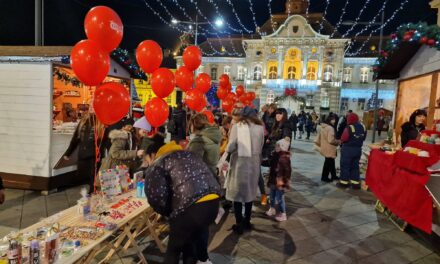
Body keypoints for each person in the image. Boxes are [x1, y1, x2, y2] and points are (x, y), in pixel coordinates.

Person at [143, 141, 221, 264]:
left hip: (190, 209)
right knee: (189, 245)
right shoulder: (190, 155)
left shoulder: (158, 163)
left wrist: (168, 212)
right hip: (213, 203)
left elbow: (156, 196)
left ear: (153, 155)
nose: (147, 163)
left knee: (173, 251)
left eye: (147, 159)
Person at [225, 106, 264, 235]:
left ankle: (239, 223)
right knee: (249, 193)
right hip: (254, 163)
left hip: (240, 164)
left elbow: (231, 146)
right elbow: (262, 145)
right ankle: (247, 221)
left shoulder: (237, 127)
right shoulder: (260, 128)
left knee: (237, 195)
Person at [64, 112, 103, 193]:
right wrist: (68, 152)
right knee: (84, 175)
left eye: (94, 105)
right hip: (83, 154)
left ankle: (92, 192)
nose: (92, 107)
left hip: (94, 155)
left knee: (93, 176)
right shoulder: (83, 121)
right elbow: (76, 138)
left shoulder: (101, 121)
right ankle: (91, 192)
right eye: (91, 106)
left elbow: (105, 140)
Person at [337, 113, 366, 190]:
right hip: (358, 150)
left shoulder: (349, 127)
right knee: (355, 166)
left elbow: (344, 138)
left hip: (348, 150)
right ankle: (355, 183)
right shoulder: (362, 127)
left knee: (345, 166)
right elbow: (363, 138)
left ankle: (344, 182)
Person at [265, 138, 291, 222]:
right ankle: (272, 209)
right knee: (272, 196)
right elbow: (270, 164)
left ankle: (283, 214)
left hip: (280, 181)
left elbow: (287, 172)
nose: (275, 146)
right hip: (273, 179)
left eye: (278, 145)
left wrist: (284, 183)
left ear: (282, 147)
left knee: (280, 198)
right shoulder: (275, 155)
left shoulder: (284, 158)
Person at [315, 115, 341, 182]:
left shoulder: (324, 127)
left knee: (331, 162)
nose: (334, 121)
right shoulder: (330, 128)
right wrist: (338, 142)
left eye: (334, 119)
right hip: (330, 148)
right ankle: (324, 177)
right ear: (329, 120)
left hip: (325, 147)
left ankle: (333, 175)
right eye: (333, 119)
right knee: (328, 163)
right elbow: (331, 140)